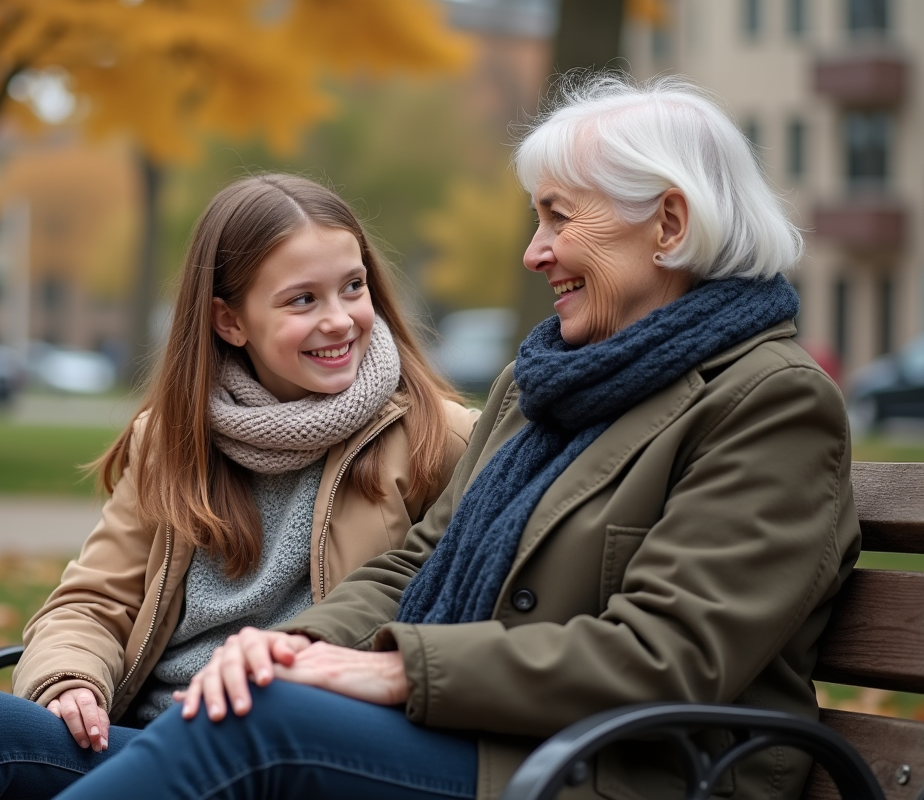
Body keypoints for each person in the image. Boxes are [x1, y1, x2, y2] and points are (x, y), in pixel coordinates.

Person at [46, 74, 862, 800]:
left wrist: (395, 668)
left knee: (258, 726)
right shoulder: (545, 385)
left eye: (557, 218)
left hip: (621, 769)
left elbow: (664, 655)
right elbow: (418, 565)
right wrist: (288, 648)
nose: (533, 251)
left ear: (669, 224)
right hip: (500, 743)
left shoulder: (771, 403)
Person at [0, 174, 477, 799]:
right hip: (143, 742)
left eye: (352, 287)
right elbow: (90, 603)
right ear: (229, 321)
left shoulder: (437, 439)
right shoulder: (171, 438)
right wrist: (69, 679)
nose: (339, 320)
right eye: (301, 299)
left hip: (288, 751)